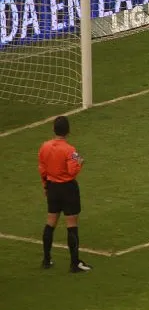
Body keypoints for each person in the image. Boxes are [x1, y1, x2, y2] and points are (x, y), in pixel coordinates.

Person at [38, 115, 90, 273]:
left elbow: (42, 169)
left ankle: (46, 260)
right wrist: (80, 162)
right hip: (68, 189)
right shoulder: (70, 150)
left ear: (54, 129)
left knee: (50, 222)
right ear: (68, 131)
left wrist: (46, 186)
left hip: (52, 187)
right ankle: (74, 264)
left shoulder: (44, 147)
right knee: (71, 224)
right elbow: (73, 170)